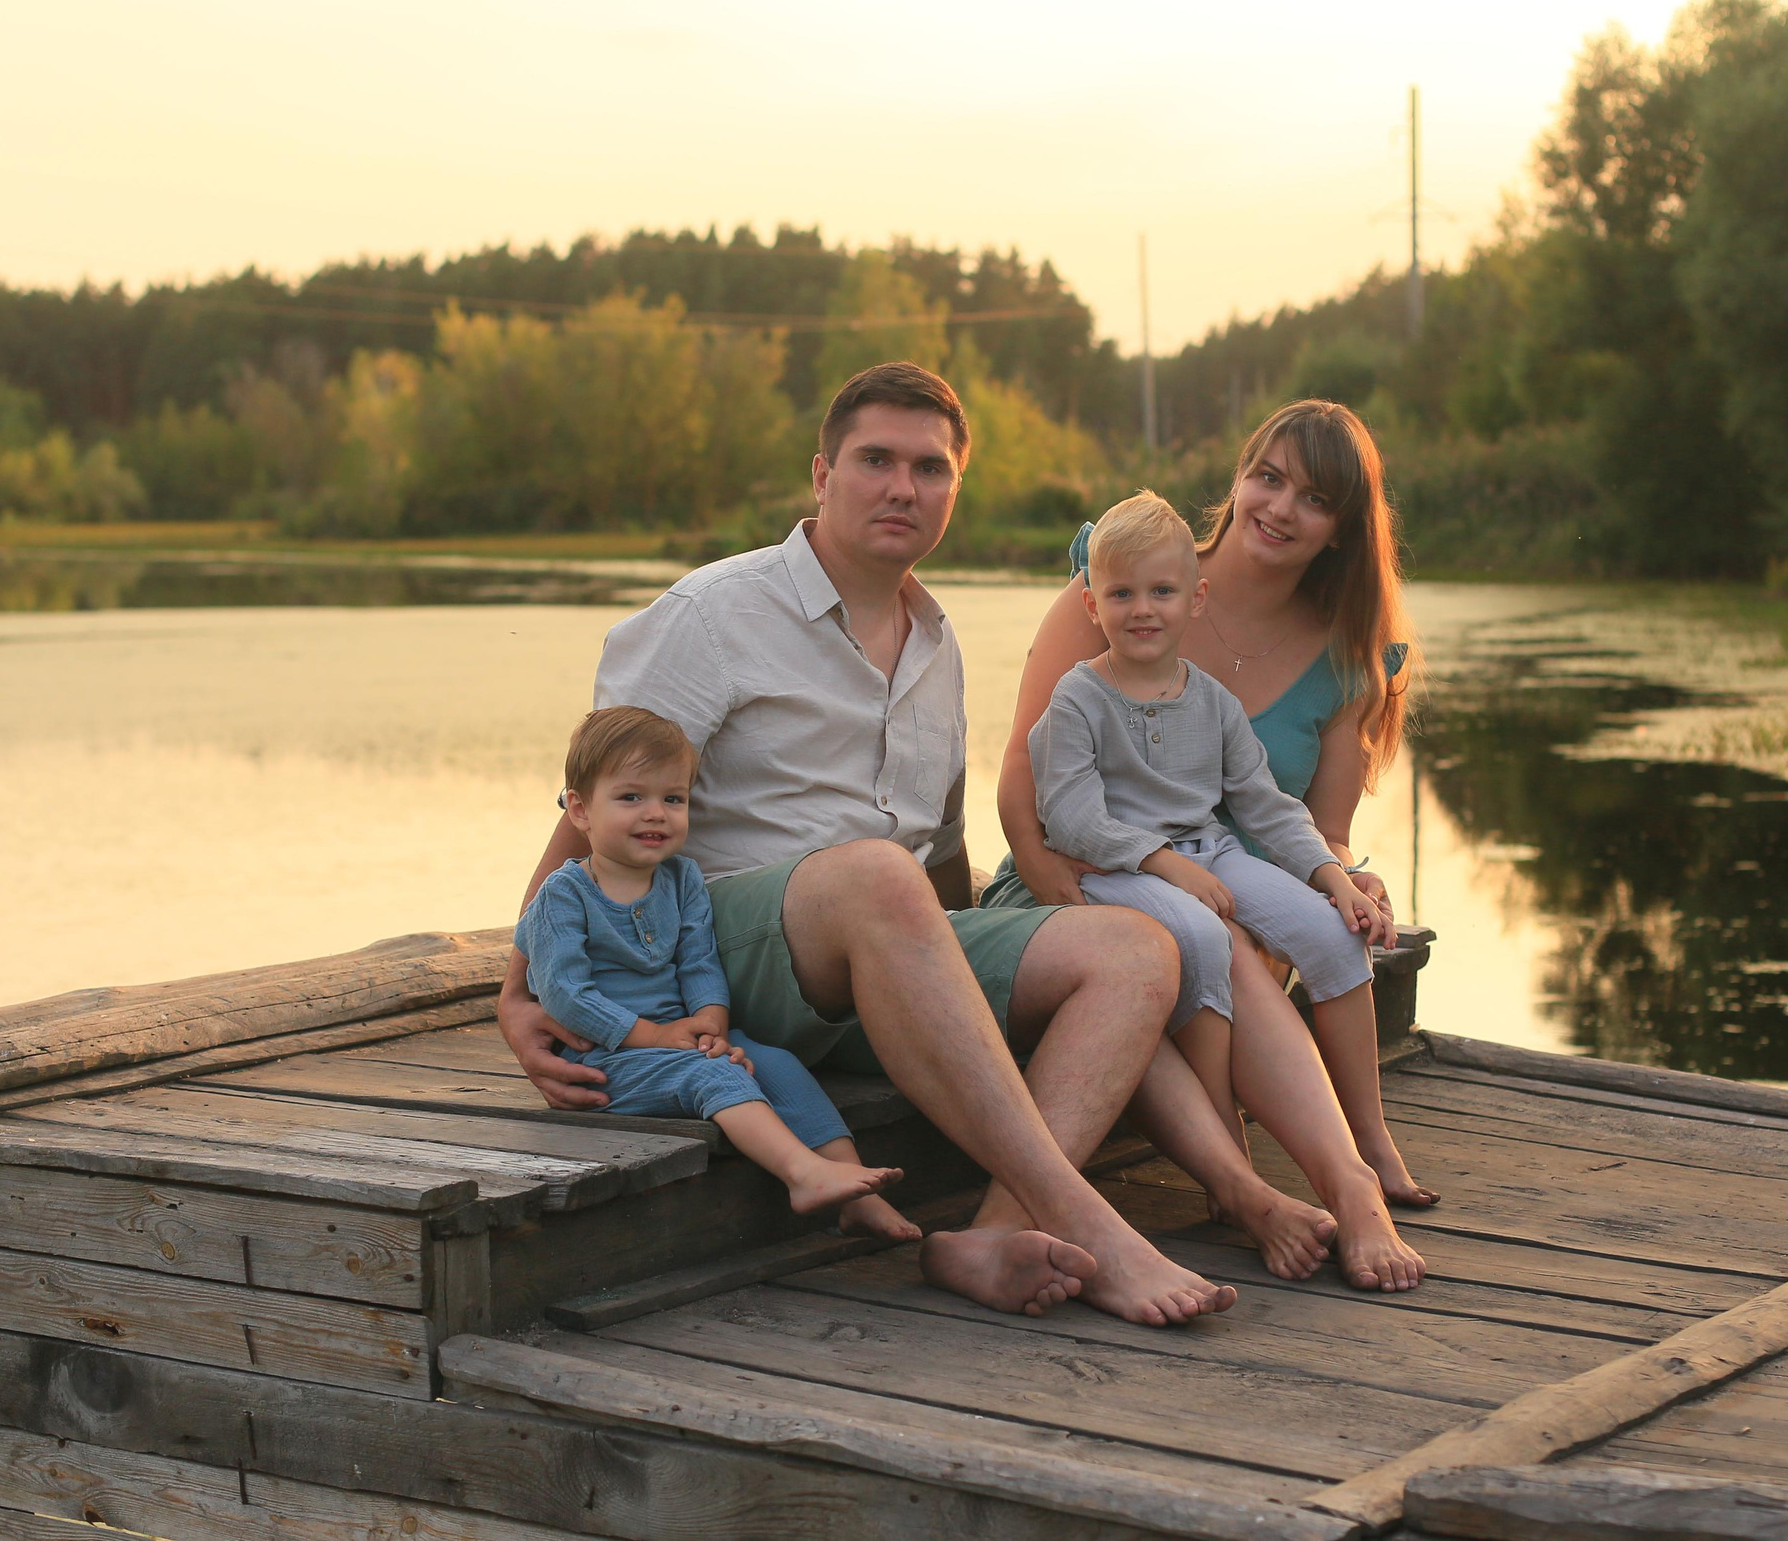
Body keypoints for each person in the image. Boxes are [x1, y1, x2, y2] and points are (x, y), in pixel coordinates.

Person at [499, 361, 1237, 1327]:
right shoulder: (711, 615)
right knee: (877, 876)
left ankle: (992, 1234)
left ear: (954, 490)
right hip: (717, 951)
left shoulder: (936, 640)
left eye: (930, 468)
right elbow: (594, 808)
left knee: (1138, 948)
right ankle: (1090, 1222)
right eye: (876, 460)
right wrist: (517, 991)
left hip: (882, 942)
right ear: (822, 475)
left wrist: (983, 972)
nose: (903, 487)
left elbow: (943, 859)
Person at [987, 400, 1430, 1291]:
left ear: (1342, 529)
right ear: (1238, 478)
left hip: (1228, 885)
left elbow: (1311, 823)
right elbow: (1027, 781)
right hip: (1082, 875)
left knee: (1270, 931)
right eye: (1268, 477)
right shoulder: (1129, 574)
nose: (1280, 507)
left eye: (1314, 497)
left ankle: (1357, 1155)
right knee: (1201, 938)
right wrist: (1067, 889)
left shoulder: (1346, 658)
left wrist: (1341, 876)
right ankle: (1306, 1180)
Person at [518, 705, 907, 1229]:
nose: (655, 813)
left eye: (672, 799)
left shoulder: (681, 880)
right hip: (604, 1063)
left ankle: (854, 1188)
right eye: (631, 797)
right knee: (713, 1075)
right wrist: (658, 1037)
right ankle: (802, 1175)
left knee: (776, 1064)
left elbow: (699, 962)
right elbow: (566, 994)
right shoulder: (563, 895)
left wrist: (710, 1024)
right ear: (580, 810)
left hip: (676, 1039)